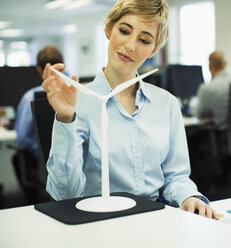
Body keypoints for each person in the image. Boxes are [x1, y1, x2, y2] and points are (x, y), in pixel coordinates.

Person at [42, 0, 217, 219]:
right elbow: (65, 196)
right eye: (124, 31)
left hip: (155, 219)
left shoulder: (167, 105)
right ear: (108, 29)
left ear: (153, 50)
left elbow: (176, 176)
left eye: (144, 40)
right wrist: (66, 117)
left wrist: (189, 197)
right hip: (98, 222)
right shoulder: (80, 103)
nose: (131, 46)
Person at [15, 45, 64, 159]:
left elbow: (22, 138)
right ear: (62, 65)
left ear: (38, 69)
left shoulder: (30, 97)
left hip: (41, 164)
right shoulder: (75, 94)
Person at [194, 50, 231, 129]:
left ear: (210, 67)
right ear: (225, 64)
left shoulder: (207, 88)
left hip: (221, 135)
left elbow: (198, 114)